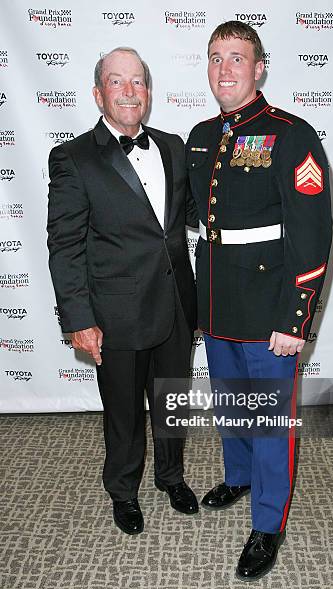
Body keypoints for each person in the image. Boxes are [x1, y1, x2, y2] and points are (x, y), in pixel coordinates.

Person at [186, 22, 332, 580]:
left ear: (259, 68)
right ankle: (239, 476)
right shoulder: (201, 135)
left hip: (271, 308)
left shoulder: (291, 134)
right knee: (230, 406)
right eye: (216, 58)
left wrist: (295, 319)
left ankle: (268, 523)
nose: (225, 70)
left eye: (237, 59)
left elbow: (312, 234)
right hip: (219, 304)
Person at [47, 47, 199, 536]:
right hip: (116, 313)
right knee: (124, 410)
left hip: (176, 303)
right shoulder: (73, 158)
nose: (130, 91)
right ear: (98, 94)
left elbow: (191, 219)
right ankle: (123, 491)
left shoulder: (174, 147)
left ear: (149, 92)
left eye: (138, 81)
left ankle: (171, 477)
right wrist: (77, 319)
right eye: (117, 82)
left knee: (172, 399)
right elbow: (65, 246)